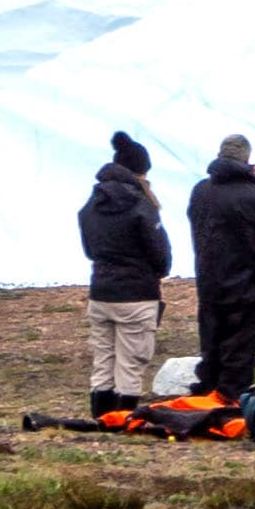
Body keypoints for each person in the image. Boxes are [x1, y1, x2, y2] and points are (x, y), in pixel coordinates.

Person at [73, 131, 168, 408]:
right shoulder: (142, 206)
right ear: (140, 171)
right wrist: (157, 271)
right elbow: (159, 253)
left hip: (101, 291)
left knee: (103, 360)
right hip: (137, 294)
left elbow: (90, 250)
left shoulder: (92, 205)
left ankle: (101, 415)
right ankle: (123, 418)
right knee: (131, 362)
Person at [188, 135, 255, 399]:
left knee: (211, 347)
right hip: (243, 280)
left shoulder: (200, 190)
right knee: (238, 350)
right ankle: (231, 403)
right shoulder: (252, 194)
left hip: (207, 280)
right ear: (246, 159)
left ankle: (207, 399)